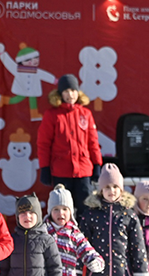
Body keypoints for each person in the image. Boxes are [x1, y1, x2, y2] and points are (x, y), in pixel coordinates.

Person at [37, 74, 102, 211]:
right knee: (63, 208)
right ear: (60, 94)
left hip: (83, 171)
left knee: (86, 208)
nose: (70, 94)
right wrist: (45, 167)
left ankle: (85, 233)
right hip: (61, 171)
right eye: (66, 91)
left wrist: (97, 164)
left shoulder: (86, 114)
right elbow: (44, 143)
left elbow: (93, 142)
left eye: (73, 90)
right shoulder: (52, 115)